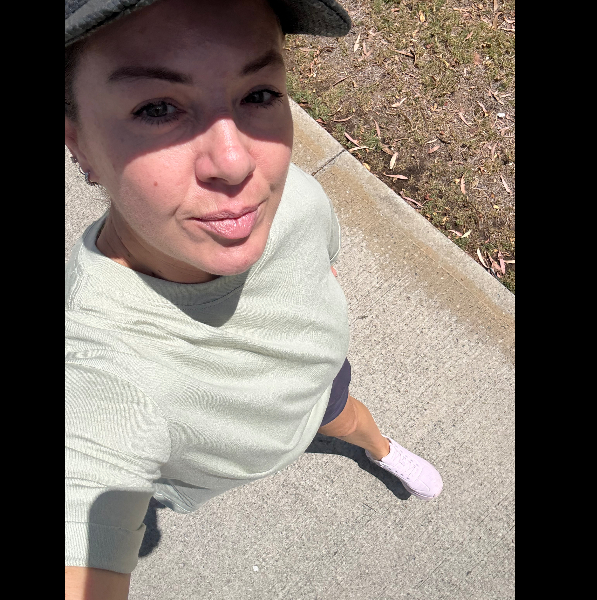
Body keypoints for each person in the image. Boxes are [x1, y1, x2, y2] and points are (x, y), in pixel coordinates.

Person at [65, 0, 443, 597]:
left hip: (318, 385)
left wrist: (322, 290)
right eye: (158, 108)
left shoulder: (294, 194)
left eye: (259, 95)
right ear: (78, 143)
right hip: (245, 449)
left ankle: (381, 450)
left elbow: (318, 248)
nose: (236, 162)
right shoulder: (99, 373)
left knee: (350, 418)